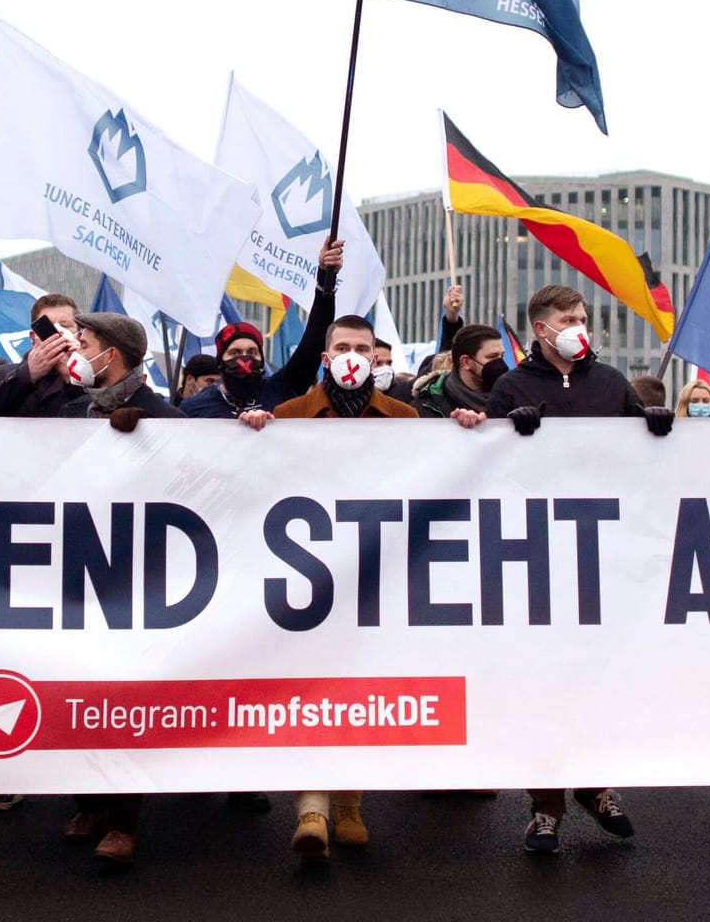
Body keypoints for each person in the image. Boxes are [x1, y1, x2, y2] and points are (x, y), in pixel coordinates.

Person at [449, 285, 660, 854]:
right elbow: (486, 469)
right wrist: (501, 429)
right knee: (539, 683)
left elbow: (652, 461)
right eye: (569, 318)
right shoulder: (513, 386)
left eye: (584, 318)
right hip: (536, 559)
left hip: (600, 557)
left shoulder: (612, 384)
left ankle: (594, 786)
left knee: (595, 679)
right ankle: (545, 808)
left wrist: (659, 426)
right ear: (541, 329)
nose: (580, 326)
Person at [263, 314, 414, 861]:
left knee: (359, 689)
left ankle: (349, 804)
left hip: (373, 577)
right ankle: (311, 806)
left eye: (363, 347)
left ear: (376, 357)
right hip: (307, 578)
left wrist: (466, 425)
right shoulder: (288, 416)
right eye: (343, 346)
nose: (353, 354)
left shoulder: (404, 417)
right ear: (325, 357)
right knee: (309, 688)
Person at [54, 312, 181, 867]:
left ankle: (124, 821)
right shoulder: (66, 412)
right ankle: (90, 803)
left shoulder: (164, 417)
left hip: (138, 583)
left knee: (124, 701)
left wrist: (149, 441)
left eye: (84, 343)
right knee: (75, 694)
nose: (75, 351)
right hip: (77, 573)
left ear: (116, 353)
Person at [182, 238, 345, 420]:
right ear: (220, 362)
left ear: (261, 359)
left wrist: (326, 276)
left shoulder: (281, 388)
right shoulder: (193, 407)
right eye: (235, 353)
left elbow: (315, 339)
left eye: (252, 352)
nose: (244, 359)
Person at [0, 292, 86, 417]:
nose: (57, 332)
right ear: (33, 336)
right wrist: (28, 374)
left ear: (78, 335)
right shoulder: (2, 374)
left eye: (65, 326)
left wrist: (73, 376)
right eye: (48, 326)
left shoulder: (92, 377)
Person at [413, 323, 505, 420]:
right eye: (492, 357)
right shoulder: (427, 407)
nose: (500, 363)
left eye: (502, 356)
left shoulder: (510, 398)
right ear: (466, 362)